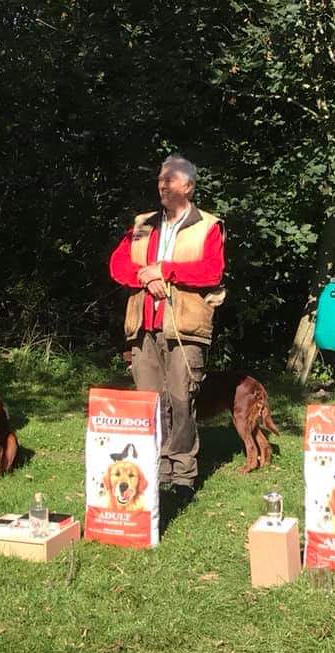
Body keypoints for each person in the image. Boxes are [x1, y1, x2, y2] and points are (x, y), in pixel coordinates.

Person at [109, 155, 226, 503]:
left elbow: (212, 271)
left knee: (180, 397)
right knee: (151, 401)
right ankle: (156, 468)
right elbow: (118, 265)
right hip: (144, 325)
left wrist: (166, 270)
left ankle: (183, 475)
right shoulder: (143, 224)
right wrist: (146, 279)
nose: (162, 184)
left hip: (185, 326)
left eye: (170, 179)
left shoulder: (208, 225)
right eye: (160, 178)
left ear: (187, 186)